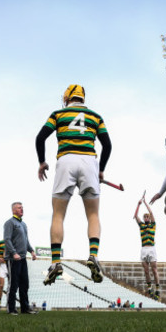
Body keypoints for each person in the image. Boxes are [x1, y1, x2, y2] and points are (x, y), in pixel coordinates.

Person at [36, 84, 112, 285]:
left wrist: (42, 162)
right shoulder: (96, 117)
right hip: (89, 161)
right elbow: (108, 145)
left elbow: (40, 137)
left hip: (66, 160)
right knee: (93, 215)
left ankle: (55, 262)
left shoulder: (58, 114)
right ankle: (93, 255)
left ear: (68, 97)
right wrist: (101, 169)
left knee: (58, 214)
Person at [3, 202, 37, 315]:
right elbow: (7, 239)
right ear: (13, 210)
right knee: (13, 284)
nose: (22, 209)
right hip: (13, 259)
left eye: (22, 207)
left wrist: (31, 251)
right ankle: (11, 308)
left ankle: (25, 308)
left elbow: (26, 241)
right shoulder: (9, 223)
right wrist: (13, 253)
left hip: (23, 259)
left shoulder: (24, 225)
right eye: (19, 207)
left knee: (24, 284)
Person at [134, 195, 160, 300]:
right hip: (144, 249)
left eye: (147, 217)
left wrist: (145, 203)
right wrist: (138, 204)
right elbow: (135, 216)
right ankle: (150, 288)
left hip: (151, 248)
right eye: (145, 217)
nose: (146, 218)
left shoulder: (153, 225)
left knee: (154, 269)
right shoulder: (141, 226)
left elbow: (152, 213)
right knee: (146, 270)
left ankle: (157, 289)